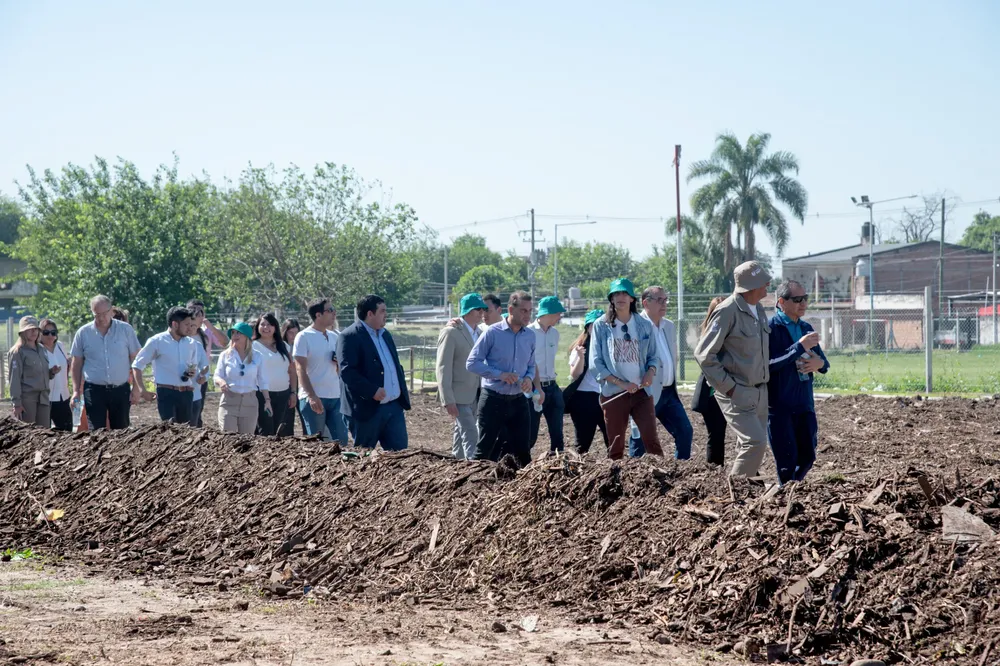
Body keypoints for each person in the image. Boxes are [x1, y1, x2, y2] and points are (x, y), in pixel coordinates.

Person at [694, 260, 773, 478]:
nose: (767, 285)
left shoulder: (758, 309)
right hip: (737, 392)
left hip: (759, 392)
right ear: (751, 286)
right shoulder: (727, 310)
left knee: (747, 447)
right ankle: (734, 498)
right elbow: (704, 354)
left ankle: (745, 498)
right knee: (754, 443)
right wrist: (729, 388)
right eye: (763, 281)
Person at [590, 278, 663, 460]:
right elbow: (595, 363)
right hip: (614, 393)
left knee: (652, 441)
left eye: (624, 293)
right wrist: (622, 384)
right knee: (615, 445)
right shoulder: (601, 325)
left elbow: (654, 355)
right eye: (616, 294)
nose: (620, 297)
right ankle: (615, 483)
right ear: (611, 299)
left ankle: (663, 479)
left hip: (641, 392)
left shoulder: (644, 325)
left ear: (632, 299)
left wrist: (650, 372)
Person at [767, 280, 829, 485]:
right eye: (797, 299)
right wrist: (798, 348)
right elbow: (768, 365)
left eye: (805, 298)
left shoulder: (805, 327)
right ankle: (785, 500)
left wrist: (818, 363)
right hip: (780, 406)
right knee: (786, 462)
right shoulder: (771, 329)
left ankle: (791, 489)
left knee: (808, 456)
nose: (803, 303)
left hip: (804, 403)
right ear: (781, 302)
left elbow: (824, 364)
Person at [467, 291, 536, 466]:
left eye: (530, 310)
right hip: (493, 399)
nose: (527, 315)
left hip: (519, 401)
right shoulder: (492, 333)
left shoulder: (530, 336)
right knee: (485, 450)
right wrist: (500, 375)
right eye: (523, 311)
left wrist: (528, 378)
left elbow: (530, 366)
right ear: (511, 309)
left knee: (523, 451)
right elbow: (472, 363)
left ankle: (521, 491)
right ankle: (472, 488)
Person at [628, 286, 694, 459]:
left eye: (665, 300)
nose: (664, 304)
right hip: (645, 393)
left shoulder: (669, 326)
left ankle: (680, 475)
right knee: (640, 439)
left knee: (685, 431)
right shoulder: (634, 326)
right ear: (645, 302)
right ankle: (631, 478)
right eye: (660, 300)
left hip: (669, 393)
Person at [338, 294, 411, 450]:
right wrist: (372, 390)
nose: (386, 315)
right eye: (382, 311)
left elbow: (394, 366)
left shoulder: (385, 335)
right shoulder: (350, 336)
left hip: (393, 408)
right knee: (364, 456)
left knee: (400, 458)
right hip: (367, 410)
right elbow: (347, 372)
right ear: (370, 314)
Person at [70, 295, 142, 430]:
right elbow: (76, 363)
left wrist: (137, 388)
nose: (102, 318)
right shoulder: (83, 333)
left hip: (120, 389)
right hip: (94, 389)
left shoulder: (125, 330)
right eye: (97, 314)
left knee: (121, 430)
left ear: (111, 311)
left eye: (105, 313)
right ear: (92, 313)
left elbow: (136, 359)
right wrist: (75, 391)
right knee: (96, 431)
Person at [436, 293, 487, 460]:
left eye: (483, 309)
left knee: (461, 432)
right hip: (458, 395)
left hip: (475, 393)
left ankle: (455, 465)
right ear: (468, 311)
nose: (482, 312)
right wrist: (447, 398)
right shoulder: (451, 332)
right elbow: (443, 367)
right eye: (478, 309)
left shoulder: (479, 332)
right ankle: (473, 468)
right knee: (471, 434)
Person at [131, 306, 203, 424]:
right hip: (166, 393)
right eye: (187, 325)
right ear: (175, 324)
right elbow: (137, 365)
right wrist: (142, 390)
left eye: (191, 325)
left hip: (186, 393)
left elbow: (193, 365)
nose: (190, 329)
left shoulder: (192, 343)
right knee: (170, 431)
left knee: (186, 433)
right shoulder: (157, 341)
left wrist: (191, 371)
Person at [292, 300, 349, 443]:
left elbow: (338, 369)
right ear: (318, 315)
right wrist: (312, 396)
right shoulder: (303, 337)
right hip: (314, 398)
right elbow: (300, 369)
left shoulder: (335, 336)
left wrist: (337, 363)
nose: (334, 313)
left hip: (335, 396)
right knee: (317, 444)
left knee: (342, 442)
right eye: (330, 310)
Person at [563, 309, 608, 454]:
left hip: (607, 396)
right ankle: (578, 472)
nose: (596, 329)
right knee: (582, 444)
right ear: (587, 328)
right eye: (592, 325)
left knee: (613, 439)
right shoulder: (580, 348)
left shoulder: (611, 346)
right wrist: (581, 358)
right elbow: (575, 374)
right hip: (584, 399)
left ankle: (616, 470)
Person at [690, 297, 729, 466]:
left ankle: (749, 471)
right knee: (716, 433)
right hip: (713, 392)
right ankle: (714, 471)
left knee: (737, 434)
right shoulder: (712, 334)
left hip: (724, 389)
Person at [214, 322, 269, 434]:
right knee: (228, 438)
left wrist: (267, 400)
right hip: (229, 401)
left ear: (247, 337)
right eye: (233, 333)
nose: (235, 336)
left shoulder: (257, 356)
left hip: (250, 403)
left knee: (247, 441)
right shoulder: (225, 355)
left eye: (239, 333)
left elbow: (262, 380)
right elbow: (217, 375)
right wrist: (221, 382)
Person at [528, 295, 566, 454]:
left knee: (557, 433)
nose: (560, 317)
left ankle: (558, 465)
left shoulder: (554, 334)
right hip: (533, 389)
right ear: (549, 313)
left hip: (552, 386)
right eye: (558, 313)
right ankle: (520, 464)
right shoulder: (528, 332)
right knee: (531, 433)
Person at [252, 313, 296, 437]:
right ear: (257, 327)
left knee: (279, 431)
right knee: (265, 430)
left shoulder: (284, 346)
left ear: (275, 327)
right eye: (263, 324)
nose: (266, 327)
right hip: (263, 395)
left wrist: (293, 392)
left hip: (283, 394)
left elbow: (292, 371)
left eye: (270, 324)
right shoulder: (252, 346)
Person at [185, 299, 227, 427]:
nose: (196, 313)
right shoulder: (182, 330)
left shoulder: (206, 332)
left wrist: (209, 325)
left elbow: (225, 342)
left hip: (201, 377)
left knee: (197, 410)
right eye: (193, 310)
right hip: (182, 376)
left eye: (200, 311)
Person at [8, 316, 52, 427]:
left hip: (44, 397)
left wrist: (52, 372)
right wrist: (17, 403)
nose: (34, 332)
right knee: (29, 433)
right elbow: (14, 378)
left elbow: (42, 373)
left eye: (36, 329)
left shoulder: (41, 349)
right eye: (29, 329)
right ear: (22, 332)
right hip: (27, 399)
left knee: (45, 433)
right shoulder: (17, 351)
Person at [39, 318, 73, 431]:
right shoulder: (38, 349)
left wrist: (70, 363)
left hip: (63, 395)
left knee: (67, 431)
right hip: (45, 398)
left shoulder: (60, 345)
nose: (50, 336)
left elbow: (66, 364)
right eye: (46, 332)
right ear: (40, 333)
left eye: (53, 333)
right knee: (45, 432)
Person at [281, 318, 304, 435]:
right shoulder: (281, 347)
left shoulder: (301, 345)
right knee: (287, 419)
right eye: (291, 332)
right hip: (286, 385)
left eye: (296, 332)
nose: (293, 336)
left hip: (302, 385)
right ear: (285, 332)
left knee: (305, 417)